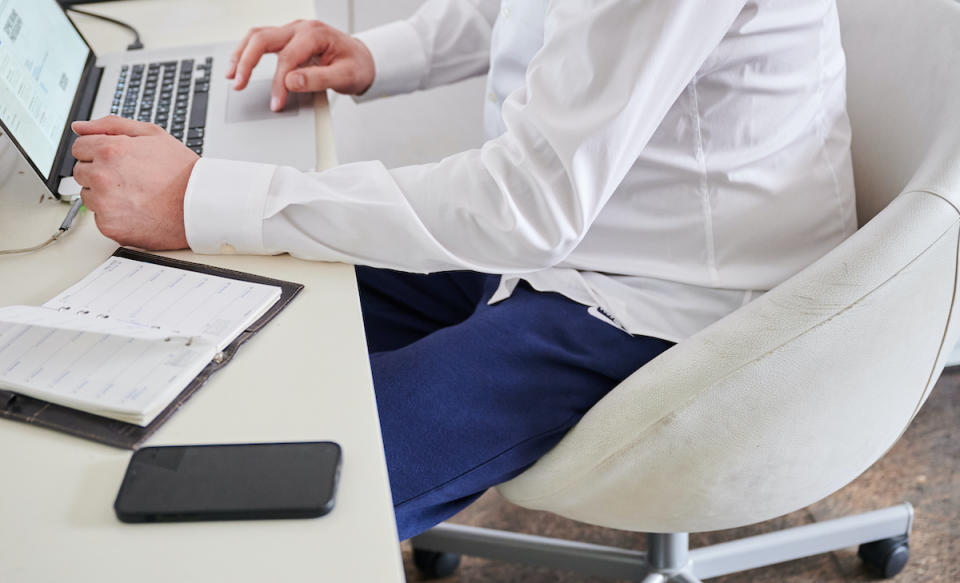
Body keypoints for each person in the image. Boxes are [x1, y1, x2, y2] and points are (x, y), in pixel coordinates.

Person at [70, 0, 856, 540]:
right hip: (556, 241)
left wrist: (202, 196)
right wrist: (380, 53)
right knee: (213, 299)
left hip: (664, 302)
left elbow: (526, 206)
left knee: (273, 486)